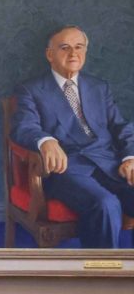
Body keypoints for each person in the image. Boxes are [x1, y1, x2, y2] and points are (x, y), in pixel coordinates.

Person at [10, 25, 134, 249]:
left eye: (79, 47)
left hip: (108, 163)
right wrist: (45, 140)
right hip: (65, 169)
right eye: (65, 47)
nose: (73, 53)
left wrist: (129, 157)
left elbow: (120, 126)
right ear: (50, 54)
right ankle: (100, 277)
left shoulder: (99, 87)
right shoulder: (31, 90)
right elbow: (23, 126)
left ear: (85, 52)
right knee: (106, 204)